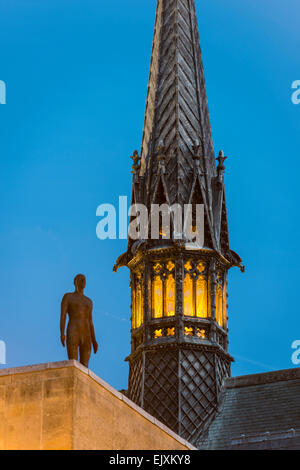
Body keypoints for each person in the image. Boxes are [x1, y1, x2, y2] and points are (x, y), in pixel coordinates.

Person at [60, 274, 98, 368]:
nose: (82, 282)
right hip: (73, 331)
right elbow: (63, 316)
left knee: (85, 367)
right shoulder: (68, 297)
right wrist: (62, 333)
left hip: (86, 334)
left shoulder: (88, 301)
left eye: (84, 280)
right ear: (75, 282)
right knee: (73, 364)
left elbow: (90, 322)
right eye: (80, 279)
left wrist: (94, 339)